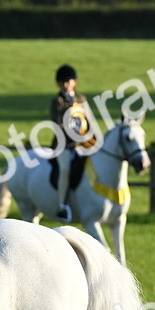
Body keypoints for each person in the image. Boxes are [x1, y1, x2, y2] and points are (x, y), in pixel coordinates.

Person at [49, 64, 94, 223]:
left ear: (74, 82)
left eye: (68, 81)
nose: (65, 85)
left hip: (83, 144)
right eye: (62, 82)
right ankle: (62, 205)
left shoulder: (81, 100)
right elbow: (57, 123)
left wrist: (93, 138)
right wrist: (72, 133)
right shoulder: (57, 101)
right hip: (63, 145)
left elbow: (89, 120)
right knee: (65, 169)